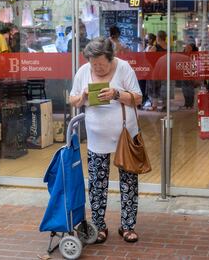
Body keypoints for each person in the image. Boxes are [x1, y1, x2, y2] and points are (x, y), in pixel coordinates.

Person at [69, 37, 142, 243]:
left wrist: (117, 93)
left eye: (101, 63)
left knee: (128, 182)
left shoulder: (124, 68)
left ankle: (127, 226)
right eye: (94, 64)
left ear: (111, 58)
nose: (97, 67)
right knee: (97, 184)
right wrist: (82, 97)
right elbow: (72, 99)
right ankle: (99, 226)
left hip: (125, 136)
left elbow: (138, 97)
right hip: (96, 138)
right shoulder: (83, 72)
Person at [146, 30, 167, 111]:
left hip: (156, 69)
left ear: (158, 37)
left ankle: (154, 105)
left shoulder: (155, 47)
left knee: (154, 87)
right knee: (163, 86)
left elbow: (148, 56)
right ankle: (164, 105)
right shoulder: (168, 47)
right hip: (165, 69)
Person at [181, 43, 198, 109]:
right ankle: (186, 103)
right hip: (183, 74)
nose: (186, 48)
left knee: (190, 89)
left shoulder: (195, 56)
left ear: (192, 49)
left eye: (188, 47)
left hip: (191, 74)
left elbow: (195, 66)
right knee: (184, 89)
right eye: (186, 47)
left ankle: (190, 104)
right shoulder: (183, 55)